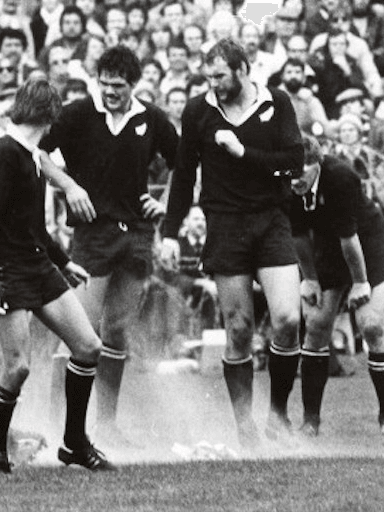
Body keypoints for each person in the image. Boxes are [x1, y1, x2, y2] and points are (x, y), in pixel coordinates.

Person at [161, 38, 304, 450]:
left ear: (242, 70)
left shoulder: (276, 102)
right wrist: (170, 232)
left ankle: (278, 414)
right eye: (209, 76)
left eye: (220, 75)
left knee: (287, 319)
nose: (214, 83)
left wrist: (244, 152)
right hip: (225, 224)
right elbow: (183, 174)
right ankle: (245, 426)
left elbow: (294, 163)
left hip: (271, 220)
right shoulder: (198, 111)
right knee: (238, 330)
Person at [38, 45, 178, 447]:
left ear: (134, 84)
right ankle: (58, 427)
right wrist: (69, 185)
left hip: (136, 234)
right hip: (93, 234)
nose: (111, 92)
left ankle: (107, 425)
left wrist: (166, 203)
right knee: (80, 330)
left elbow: (184, 163)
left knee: (116, 330)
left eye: (118, 85)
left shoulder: (152, 118)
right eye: (105, 84)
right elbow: (37, 152)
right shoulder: (78, 113)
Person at [0, 79, 114, 473]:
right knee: (17, 367)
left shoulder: (30, 154)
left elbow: (32, 224)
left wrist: (62, 261)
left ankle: (74, 444)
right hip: (8, 270)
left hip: (37, 265)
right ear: (49, 116)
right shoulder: (3, 153)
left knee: (88, 346)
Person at [289, 136, 384, 436]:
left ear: (317, 163)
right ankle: (310, 420)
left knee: (371, 324)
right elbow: (298, 236)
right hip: (328, 246)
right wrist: (310, 279)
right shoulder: (285, 181)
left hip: (367, 241)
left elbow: (350, 238)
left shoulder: (340, 176)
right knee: (316, 325)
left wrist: (360, 283)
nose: (295, 180)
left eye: (301, 172)